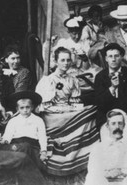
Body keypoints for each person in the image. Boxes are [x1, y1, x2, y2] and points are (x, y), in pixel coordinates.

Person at [35, 47, 99, 176]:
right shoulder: (47, 80)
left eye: (68, 60)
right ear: (56, 61)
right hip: (52, 115)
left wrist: (73, 107)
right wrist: (63, 108)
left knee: (93, 110)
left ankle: (82, 148)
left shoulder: (73, 79)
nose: (66, 63)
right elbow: (43, 106)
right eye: (62, 60)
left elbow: (74, 101)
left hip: (68, 111)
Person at [84, 110, 127, 185]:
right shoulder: (98, 149)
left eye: (120, 123)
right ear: (108, 126)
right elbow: (93, 171)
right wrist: (107, 173)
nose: (117, 127)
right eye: (113, 124)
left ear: (124, 126)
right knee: (94, 177)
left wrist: (121, 172)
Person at [93, 43, 127, 128]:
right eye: (110, 56)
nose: (113, 59)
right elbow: (99, 103)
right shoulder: (100, 76)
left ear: (121, 57)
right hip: (106, 116)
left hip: (126, 114)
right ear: (106, 58)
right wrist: (112, 88)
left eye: (116, 56)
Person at [1, 91, 47, 169]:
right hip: (17, 145)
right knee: (21, 151)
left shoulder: (38, 120)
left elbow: (42, 136)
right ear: (17, 109)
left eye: (27, 107)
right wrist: (5, 140)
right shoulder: (13, 121)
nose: (25, 110)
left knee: (31, 156)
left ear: (32, 107)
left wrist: (43, 151)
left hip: (32, 145)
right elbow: (8, 135)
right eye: (22, 108)